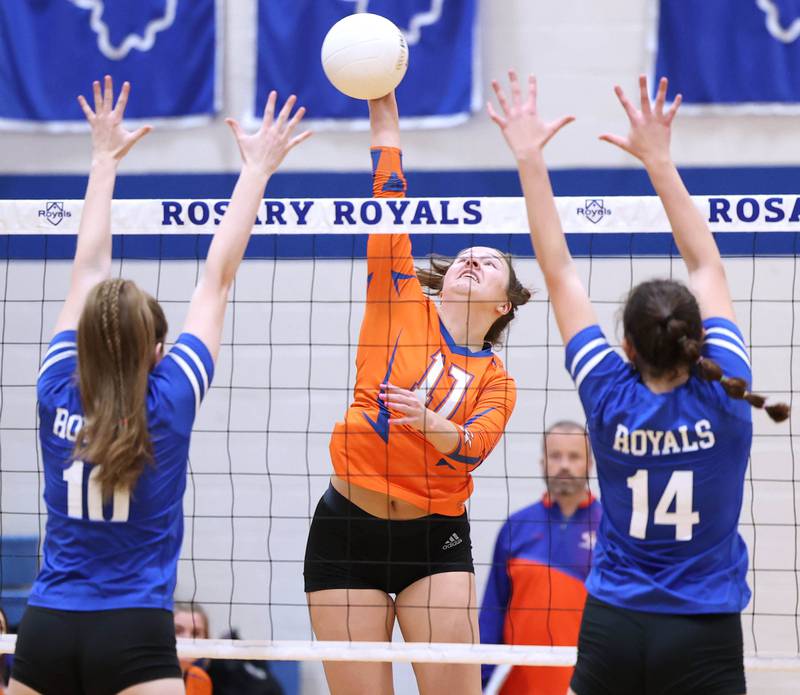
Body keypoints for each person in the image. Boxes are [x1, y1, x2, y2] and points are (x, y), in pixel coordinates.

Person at [488, 70, 789, 695]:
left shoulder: (608, 392)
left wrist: (528, 159)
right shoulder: (729, 389)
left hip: (615, 624)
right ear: (697, 339)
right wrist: (659, 159)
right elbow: (706, 262)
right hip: (704, 629)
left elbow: (560, 271)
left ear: (625, 347)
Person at [9, 76, 310, 695]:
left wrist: (103, 158)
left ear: (83, 343)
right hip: (134, 631)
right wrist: (256, 169)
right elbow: (216, 279)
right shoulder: (169, 401)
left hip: (46, 627)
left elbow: (87, 269)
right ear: (157, 353)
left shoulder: (54, 391)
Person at [304, 91, 531, 695]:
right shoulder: (399, 298)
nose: (471, 261)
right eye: (466, 256)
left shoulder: (498, 383)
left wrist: (429, 421)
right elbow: (388, 199)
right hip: (346, 528)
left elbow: (473, 447)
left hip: (433, 538)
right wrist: (385, 112)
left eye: (488, 263)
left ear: (502, 305)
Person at [479, 421, 601, 695]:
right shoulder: (516, 527)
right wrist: (482, 679)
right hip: (519, 685)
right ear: (542, 462)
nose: (564, 465)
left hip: (588, 683)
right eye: (556, 456)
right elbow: (492, 612)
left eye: (574, 456)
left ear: (590, 463)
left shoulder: (611, 530)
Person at [174, 602, 212, 695]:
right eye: (178, 631)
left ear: (206, 638)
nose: (188, 639)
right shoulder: (142, 675)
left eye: (196, 633)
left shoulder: (201, 679)